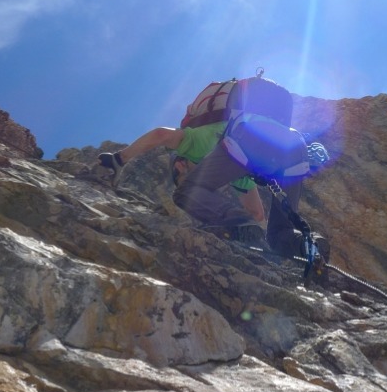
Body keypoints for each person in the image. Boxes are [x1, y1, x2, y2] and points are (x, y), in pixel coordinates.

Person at [98, 75, 329, 260]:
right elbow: (257, 213)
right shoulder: (234, 171)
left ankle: (249, 228)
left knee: (186, 193)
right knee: (281, 236)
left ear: (180, 163)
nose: (183, 176)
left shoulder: (193, 144)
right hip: (294, 147)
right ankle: (309, 245)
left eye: (179, 175)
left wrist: (120, 159)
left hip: (249, 135)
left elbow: (159, 134)